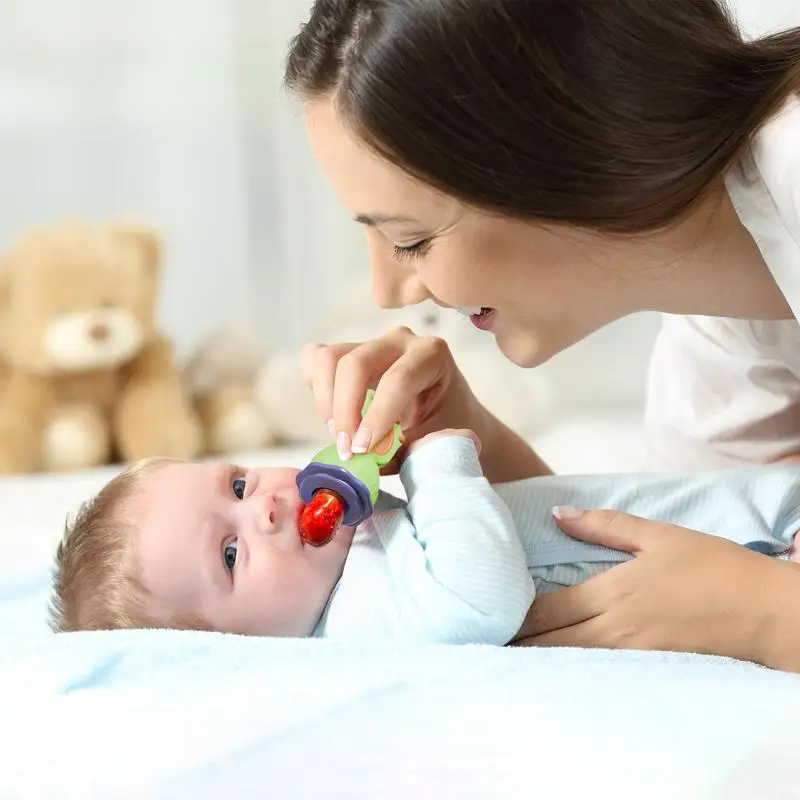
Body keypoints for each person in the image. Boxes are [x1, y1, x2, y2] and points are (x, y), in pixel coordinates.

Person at [281, 0, 800, 669]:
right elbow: (688, 549)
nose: (390, 294)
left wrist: (771, 615)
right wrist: (466, 433)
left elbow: (739, 592)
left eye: (410, 240)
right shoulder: (725, 312)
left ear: (564, 150)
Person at [49, 428, 800, 643]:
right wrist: (433, 460)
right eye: (232, 553)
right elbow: (484, 595)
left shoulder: (354, 553)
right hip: (759, 547)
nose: (267, 508)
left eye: (239, 485)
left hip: (748, 512)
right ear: (232, 646)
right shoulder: (362, 620)